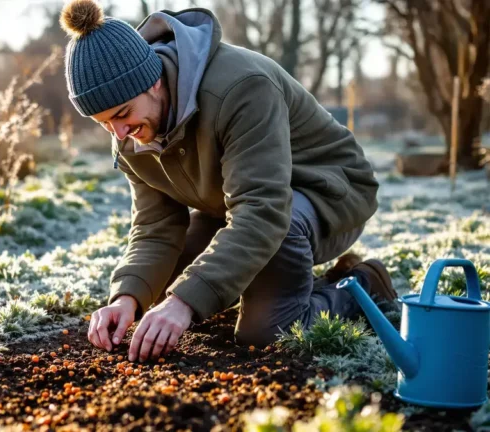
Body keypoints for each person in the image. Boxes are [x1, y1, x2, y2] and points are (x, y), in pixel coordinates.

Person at [58, 0, 397, 363]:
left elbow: (263, 210)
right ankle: (279, 283)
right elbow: (156, 227)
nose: (119, 133)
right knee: (161, 289)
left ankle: (362, 285)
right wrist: (127, 297)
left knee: (265, 332)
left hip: (328, 195)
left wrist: (184, 303)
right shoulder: (130, 135)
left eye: (123, 114)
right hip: (240, 206)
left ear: (153, 81)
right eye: (104, 123)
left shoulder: (242, 88)